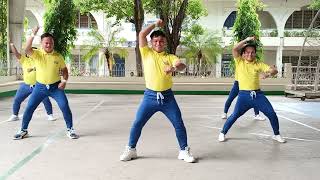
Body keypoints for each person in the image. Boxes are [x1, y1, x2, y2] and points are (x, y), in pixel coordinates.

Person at [120, 19, 196, 163]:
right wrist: (155, 24)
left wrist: (174, 68)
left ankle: (184, 151)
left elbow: (181, 66)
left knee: (178, 123)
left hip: (167, 98)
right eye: (155, 41)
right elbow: (142, 34)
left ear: (165, 43)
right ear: (151, 43)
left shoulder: (170, 57)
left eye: (161, 41)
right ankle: (131, 149)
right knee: (137, 123)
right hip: (149, 96)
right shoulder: (146, 53)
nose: (158, 44)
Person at [13, 26, 79, 140]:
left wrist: (64, 81)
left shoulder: (58, 56)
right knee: (29, 107)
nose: (49, 45)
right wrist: (33, 34)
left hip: (56, 87)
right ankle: (23, 130)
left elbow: (65, 71)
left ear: (53, 43)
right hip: (39, 88)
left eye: (51, 43)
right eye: (46, 43)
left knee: (64, 106)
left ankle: (70, 129)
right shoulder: (37, 54)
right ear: (42, 43)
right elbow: (27, 49)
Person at [218, 36, 286, 143]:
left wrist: (269, 73)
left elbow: (274, 71)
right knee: (234, 115)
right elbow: (235, 49)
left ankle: (276, 134)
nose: (250, 54)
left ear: (255, 53)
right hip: (243, 96)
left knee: (272, 114)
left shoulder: (258, 64)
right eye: (247, 52)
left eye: (252, 52)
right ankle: (222, 132)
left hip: (258, 95)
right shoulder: (239, 61)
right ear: (243, 54)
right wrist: (246, 40)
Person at [7, 43, 56, 122]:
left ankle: (50, 115)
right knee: (17, 99)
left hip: (38, 85)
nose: (31, 53)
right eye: (30, 51)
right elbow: (16, 54)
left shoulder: (39, 60)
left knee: (45, 99)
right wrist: (12, 45)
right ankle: (15, 115)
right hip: (26, 85)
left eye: (33, 51)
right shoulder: (24, 60)